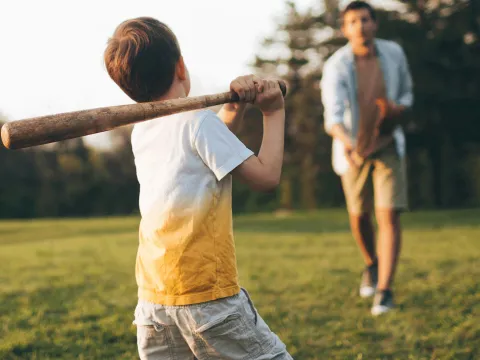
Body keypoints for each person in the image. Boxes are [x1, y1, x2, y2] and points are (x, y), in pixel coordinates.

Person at [103, 17, 293, 359]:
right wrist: (273, 112)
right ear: (180, 66)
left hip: (154, 302)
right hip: (208, 298)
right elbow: (266, 177)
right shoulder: (199, 122)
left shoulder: (143, 131)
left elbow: (202, 154)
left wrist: (233, 107)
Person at [320, 1, 414, 316]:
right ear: (345, 29)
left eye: (365, 20)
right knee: (359, 215)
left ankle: (385, 290)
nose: (360, 26)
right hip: (353, 150)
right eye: (353, 22)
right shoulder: (336, 65)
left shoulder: (394, 54)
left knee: (388, 216)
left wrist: (396, 110)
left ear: (374, 24)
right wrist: (348, 144)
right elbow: (332, 116)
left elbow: (407, 96)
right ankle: (371, 264)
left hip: (388, 145)